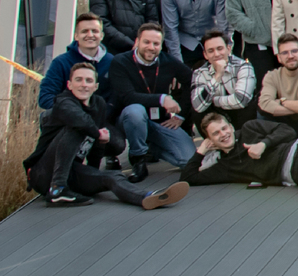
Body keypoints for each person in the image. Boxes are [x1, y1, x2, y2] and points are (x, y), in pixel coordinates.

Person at [25, 62, 189, 209]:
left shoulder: (98, 104)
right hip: (44, 174)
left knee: (112, 176)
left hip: (72, 172)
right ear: (69, 84)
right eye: (78, 80)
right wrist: (98, 134)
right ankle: (58, 190)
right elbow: (80, 121)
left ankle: (148, 197)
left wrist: (93, 172)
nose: (84, 85)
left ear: (95, 86)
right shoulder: (63, 102)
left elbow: (95, 146)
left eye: (89, 81)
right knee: (77, 127)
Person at [109, 23, 195, 182]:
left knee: (188, 160)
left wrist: (181, 115)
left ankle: (150, 147)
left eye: (156, 43)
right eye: (146, 42)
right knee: (135, 111)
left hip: (158, 122)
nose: (151, 47)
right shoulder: (121, 62)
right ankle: (138, 159)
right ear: (137, 41)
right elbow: (128, 97)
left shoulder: (168, 61)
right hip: (129, 121)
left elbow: (192, 82)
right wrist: (162, 99)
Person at [39, 14, 113, 111]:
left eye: (94, 31)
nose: (90, 35)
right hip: (69, 117)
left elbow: (117, 97)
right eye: (84, 31)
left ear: (102, 35)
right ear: (76, 36)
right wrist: (73, 112)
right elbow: (45, 97)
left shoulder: (112, 62)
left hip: (104, 117)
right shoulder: (61, 63)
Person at [190, 30, 259, 129]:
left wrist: (213, 101)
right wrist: (217, 76)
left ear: (228, 49)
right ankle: (214, 138)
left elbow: (241, 100)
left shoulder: (243, 66)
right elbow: (198, 107)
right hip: (218, 116)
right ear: (205, 55)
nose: (216, 54)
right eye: (211, 51)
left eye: (220, 49)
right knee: (198, 112)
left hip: (241, 113)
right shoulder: (199, 73)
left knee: (249, 106)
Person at [258, 34, 298, 136]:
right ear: (279, 57)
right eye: (285, 53)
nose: (290, 56)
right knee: (262, 115)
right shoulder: (272, 76)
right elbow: (264, 105)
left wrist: (282, 101)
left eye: (294, 51)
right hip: (282, 123)